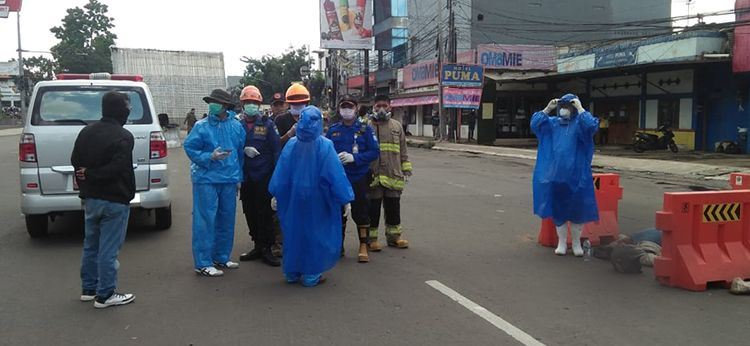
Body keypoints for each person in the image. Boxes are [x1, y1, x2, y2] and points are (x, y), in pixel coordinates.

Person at [269, 106, 354, 287]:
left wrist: (276, 194)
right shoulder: (325, 146)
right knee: (315, 234)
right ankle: (311, 274)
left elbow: (282, 172)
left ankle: (292, 272)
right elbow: (335, 175)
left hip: (293, 198)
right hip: (318, 199)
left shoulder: (292, 144)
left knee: (294, 232)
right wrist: (344, 199)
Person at [71, 91, 136, 309]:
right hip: (115, 199)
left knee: (91, 245)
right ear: (120, 109)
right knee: (109, 249)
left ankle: (89, 289)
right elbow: (117, 168)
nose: (129, 111)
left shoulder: (86, 131)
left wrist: (86, 175)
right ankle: (105, 294)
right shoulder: (124, 136)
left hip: (92, 198)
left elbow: (75, 160)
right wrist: (92, 174)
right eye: (128, 107)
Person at [184, 89, 246, 276]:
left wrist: (239, 177)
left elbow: (240, 152)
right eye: (211, 101)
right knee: (205, 220)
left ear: (226, 105)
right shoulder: (201, 126)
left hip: (228, 178)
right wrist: (208, 156)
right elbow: (189, 147)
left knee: (226, 219)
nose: (213, 105)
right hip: (206, 178)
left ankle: (222, 256)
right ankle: (203, 262)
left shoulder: (236, 126)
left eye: (216, 102)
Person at [531, 94, 599, 256]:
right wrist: (547, 109)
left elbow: (592, 127)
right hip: (556, 175)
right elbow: (535, 124)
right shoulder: (552, 124)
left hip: (577, 175)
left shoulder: (580, 125)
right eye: (562, 106)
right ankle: (562, 242)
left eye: (568, 107)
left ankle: (576, 243)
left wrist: (581, 109)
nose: (564, 110)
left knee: (577, 211)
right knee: (559, 210)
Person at [326, 94, 380, 262]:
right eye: (344, 106)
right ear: (339, 109)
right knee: (338, 212)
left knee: (361, 211)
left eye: (350, 107)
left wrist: (354, 158)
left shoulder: (365, 129)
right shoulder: (333, 130)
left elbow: (374, 152)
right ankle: (338, 245)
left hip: (359, 176)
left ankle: (363, 245)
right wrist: (335, 157)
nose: (346, 110)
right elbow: (324, 152)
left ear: (356, 108)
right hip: (339, 178)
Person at [235, 86, 282, 266]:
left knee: (265, 213)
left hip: (264, 176)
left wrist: (276, 177)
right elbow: (231, 148)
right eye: (248, 103)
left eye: (254, 103)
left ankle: (267, 248)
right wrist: (242, 150)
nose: (251, 106)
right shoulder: (237, 125)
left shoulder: (268, 124)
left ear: (259, 104)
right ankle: (257, 244)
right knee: (250, 212)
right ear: (242, 104)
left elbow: (277, 151)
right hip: (246, 176)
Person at [367, 94, 412, 251]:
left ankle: (394, 238)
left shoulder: (397, 126)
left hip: (393, 175)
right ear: (373, 107)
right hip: (374, 176)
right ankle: (371, 239)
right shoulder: (367, 126)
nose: (381, 109)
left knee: (393, 208)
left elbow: (403, 150)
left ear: (390, 107)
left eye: (384, 105)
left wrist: (406, 170)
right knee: (373, 209)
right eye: (378, 105)